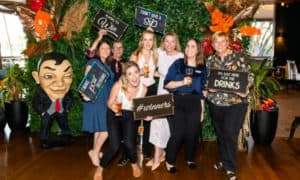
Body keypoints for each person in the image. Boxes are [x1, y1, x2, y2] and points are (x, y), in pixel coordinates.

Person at [207, 31, 252, 180]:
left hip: (236, 103)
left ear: (228, 42)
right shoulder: (210, 60)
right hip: (216, 103)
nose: (219, 44)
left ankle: (230, 168)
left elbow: (249, 76)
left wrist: (246, 88)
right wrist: (208, 87)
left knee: (230, 134)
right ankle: (225, 161)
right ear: (212, 45)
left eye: (222, 41)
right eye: (216, 42)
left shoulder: (239, 57)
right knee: (221, 135)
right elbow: (206, 79)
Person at [94, 61, 147, 180]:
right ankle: (100, 168)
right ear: (125, 76)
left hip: (130, 115)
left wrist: (145, 115)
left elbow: (139, 110)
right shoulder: (118, 85)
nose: (134, 77)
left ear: (140, 73)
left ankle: (134, 164)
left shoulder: (143, 89)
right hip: (114, 114)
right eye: (130, 74)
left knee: (129, 144)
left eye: (136, 73)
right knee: (114, 146)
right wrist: (114, 107)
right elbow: (109, 103)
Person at [164, 38, 207, 173]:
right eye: (187, 45)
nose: (189, 48)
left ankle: (190, 158)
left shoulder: (202, 68)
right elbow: (167, 84)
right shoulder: (178, 64)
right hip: (177, 100)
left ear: (198, 50)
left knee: (192, 133)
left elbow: (202, 91)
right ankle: (169, 160)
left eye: (193, 46)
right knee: (178, 133)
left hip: (194, 102)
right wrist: (182, 82)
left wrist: (202, 110)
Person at [146, 32, 184, 171]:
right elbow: (147, 50)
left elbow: (183, 78)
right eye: (166, 41)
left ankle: (160, 155)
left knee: (166, 127)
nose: (169, 44)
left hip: (173, 94)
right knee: (156, 123)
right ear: (163, 42)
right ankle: (158, 156)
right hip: (161, 92)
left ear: (176, 43)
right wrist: (156, 74)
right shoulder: (160, 53)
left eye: (172, 41)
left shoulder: (181, 57)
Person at [81, 39, 114, 167]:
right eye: (102, 48)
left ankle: (96, 151)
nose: (105, 50)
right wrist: (86, 94)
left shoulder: (108, 65)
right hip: (96, 98)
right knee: (106, 128)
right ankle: (94, 152)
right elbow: (87, 78)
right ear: (98, 51)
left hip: (106, 97)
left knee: (99, 128)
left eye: (107, 48)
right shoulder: (93, 61)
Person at [32, 52, 73, 149]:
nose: (60, 84)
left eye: (67, 76)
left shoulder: (67, 92)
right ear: (37, 77)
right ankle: (44, 139)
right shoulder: (40, 93)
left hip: (60, 110)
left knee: (64, 123)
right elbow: (35, 103)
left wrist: (66, 109)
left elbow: (69, 99)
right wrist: (42, 112)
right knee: (45, 125)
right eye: (49, 76)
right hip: (48, 111)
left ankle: (66, 135)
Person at [130, 29, 158, 159]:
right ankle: (131, 150)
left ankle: (147, 150)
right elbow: (127, 73)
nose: (148, 42)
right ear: (142, 40)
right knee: (134, 120)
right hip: (138, 88)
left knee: (149, 121)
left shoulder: (155, 55)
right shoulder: (136, 54)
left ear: (153, 41)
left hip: (151, 88)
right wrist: (138, 73)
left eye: (150, 39)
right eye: (145, 39)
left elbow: (154, 73)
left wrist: (163, 75)